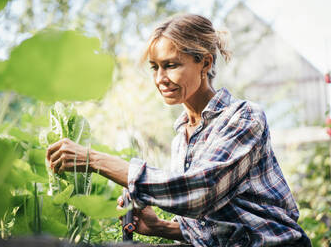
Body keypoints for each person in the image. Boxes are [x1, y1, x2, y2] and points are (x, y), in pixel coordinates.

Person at [46, 14, 311, 247]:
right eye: (155, 67)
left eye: (171, 65)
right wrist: (163, 228)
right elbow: (219, 226)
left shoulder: (243, 118)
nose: (160, 78)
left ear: (205, 63)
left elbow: (200, 190)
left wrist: (95, 160)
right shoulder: (182, 137)